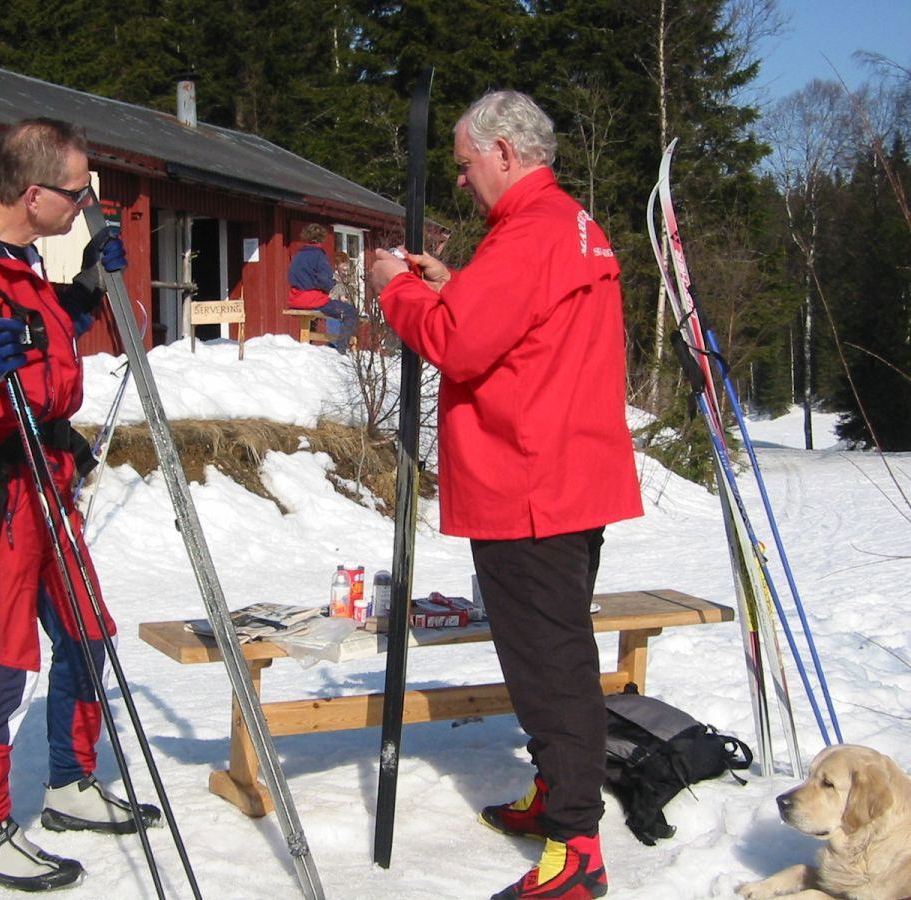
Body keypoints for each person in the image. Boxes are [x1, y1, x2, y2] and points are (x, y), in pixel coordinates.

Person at [370, 91, 643, 900]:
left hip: (529, 483)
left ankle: (577, 849)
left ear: (503, 152)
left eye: (462, 163)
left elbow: (457, 342)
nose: (460, 180)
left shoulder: (529, 232)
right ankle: (558, 794)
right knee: (546, 655)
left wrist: (396, 289)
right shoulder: (568, 224)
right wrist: (455, 282)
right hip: (566, 473)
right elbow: (517, 322)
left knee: (551, 666)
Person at [0, 117, 159, 892]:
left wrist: (80, 295)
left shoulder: (24, 258)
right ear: (35, 192)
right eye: (78, 193)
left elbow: (41, 346)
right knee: (5, 654)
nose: (86, 205)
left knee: (85, 631)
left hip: (44, 471)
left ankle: (71, 780)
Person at [287, 223, 358, 353]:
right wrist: (331, 283)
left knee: (315, 316)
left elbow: (290, 277)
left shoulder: (298, 256)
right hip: (313, 299)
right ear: (322, 238)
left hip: (296, 298)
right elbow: (325, 281)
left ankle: (308, 344)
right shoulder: (319, 255)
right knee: (350, 312)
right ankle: (341, 349)